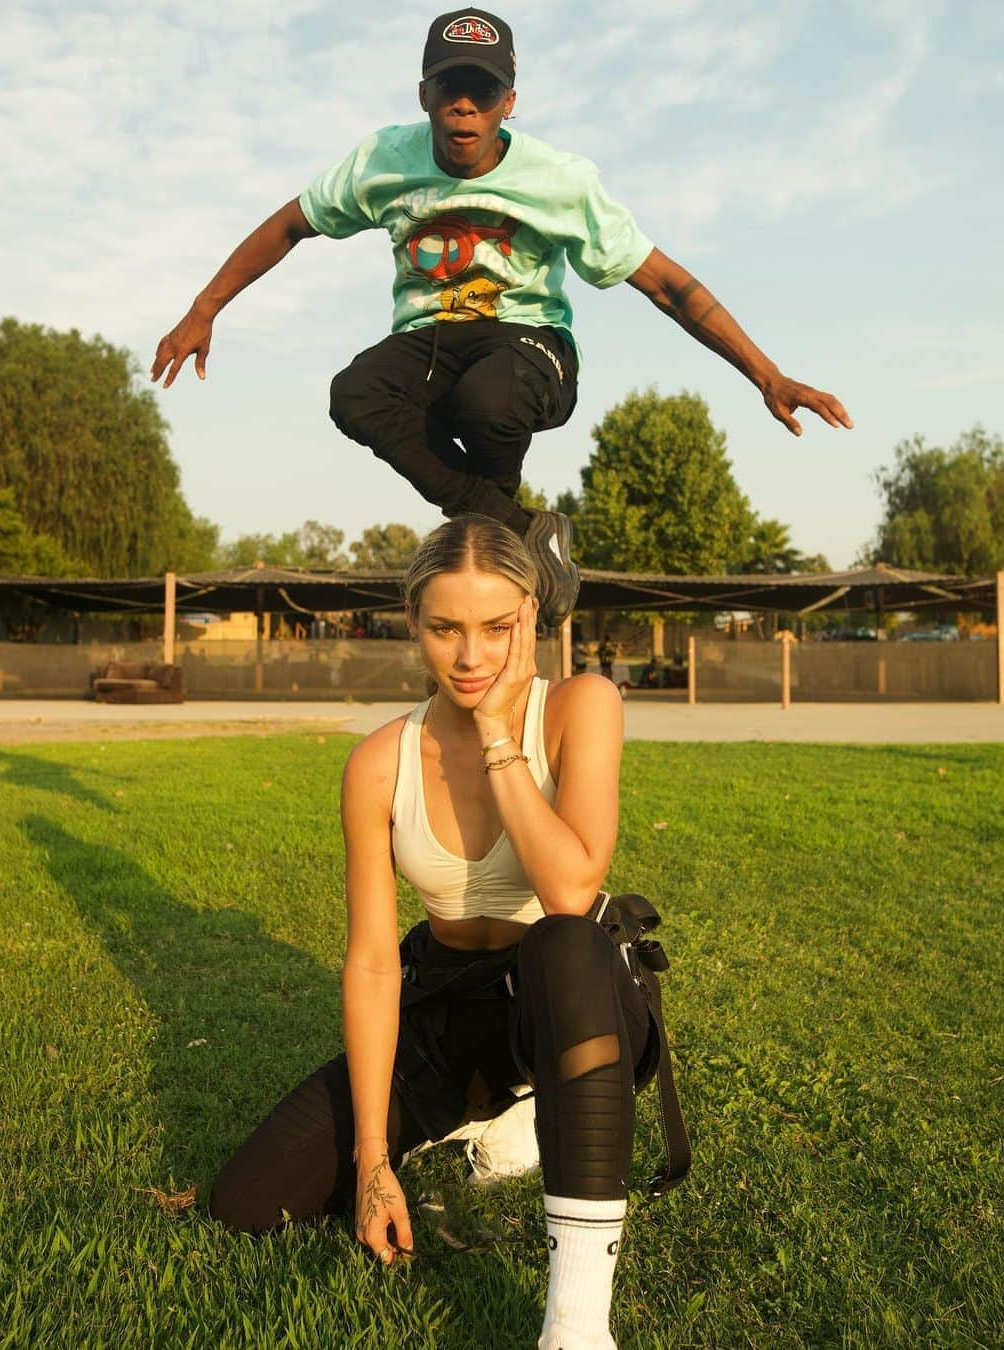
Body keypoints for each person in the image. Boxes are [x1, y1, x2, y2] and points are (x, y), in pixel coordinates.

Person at [151, 9, 852, 631]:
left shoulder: (561, 180)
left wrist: (766, 373)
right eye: (448, 89)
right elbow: (289, 225)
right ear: (422, 94)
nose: (463, 108)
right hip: (427, 341)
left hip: (530, 347)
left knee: (485, 397)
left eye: (481, 93)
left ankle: (501, 528)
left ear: (507, 103)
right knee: (354, 394)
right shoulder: (378, 162)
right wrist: (202, 309)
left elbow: (668, 285)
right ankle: (517, 532)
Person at [208, 515, 681, 1349]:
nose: (471, 658)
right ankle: (484, 1107)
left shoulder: (580, 706)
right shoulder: (379, 763)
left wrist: (499, 734)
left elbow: (571, 886)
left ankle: (575, 1324)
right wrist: (371, 1162)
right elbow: (371, 965)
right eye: (445, 629)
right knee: (245, 1201)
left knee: (562, 940)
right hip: (445, 1001)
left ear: (531, 619)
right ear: (412, 624)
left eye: (497, 628)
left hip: (574, 1003)